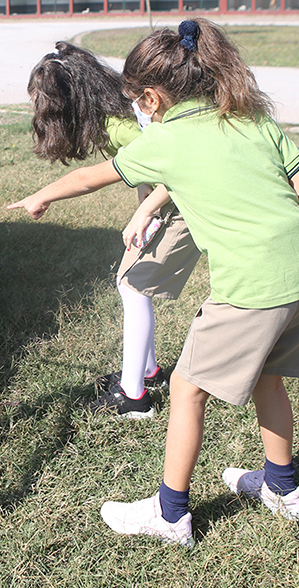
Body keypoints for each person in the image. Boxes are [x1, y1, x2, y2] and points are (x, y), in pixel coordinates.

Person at [9, 19, 299, 546]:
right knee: (267, 379)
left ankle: (170, 514)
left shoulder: (169, 140)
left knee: (185, 389)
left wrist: (43, 195)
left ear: (153, 98)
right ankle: (282, 489)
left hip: (252, 291)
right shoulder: (251, 119)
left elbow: (94, 176)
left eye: (138, 99)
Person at [25, 41, 201, 419]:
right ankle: (147, 370)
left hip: (187, 206)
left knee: (132, 285)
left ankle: (134, 398)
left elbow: (177, 167)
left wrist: (147, 211)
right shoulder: (117, 109)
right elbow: (150, 171)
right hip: (171, 204)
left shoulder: (119, 127)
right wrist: (147, 208)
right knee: (135, 284)